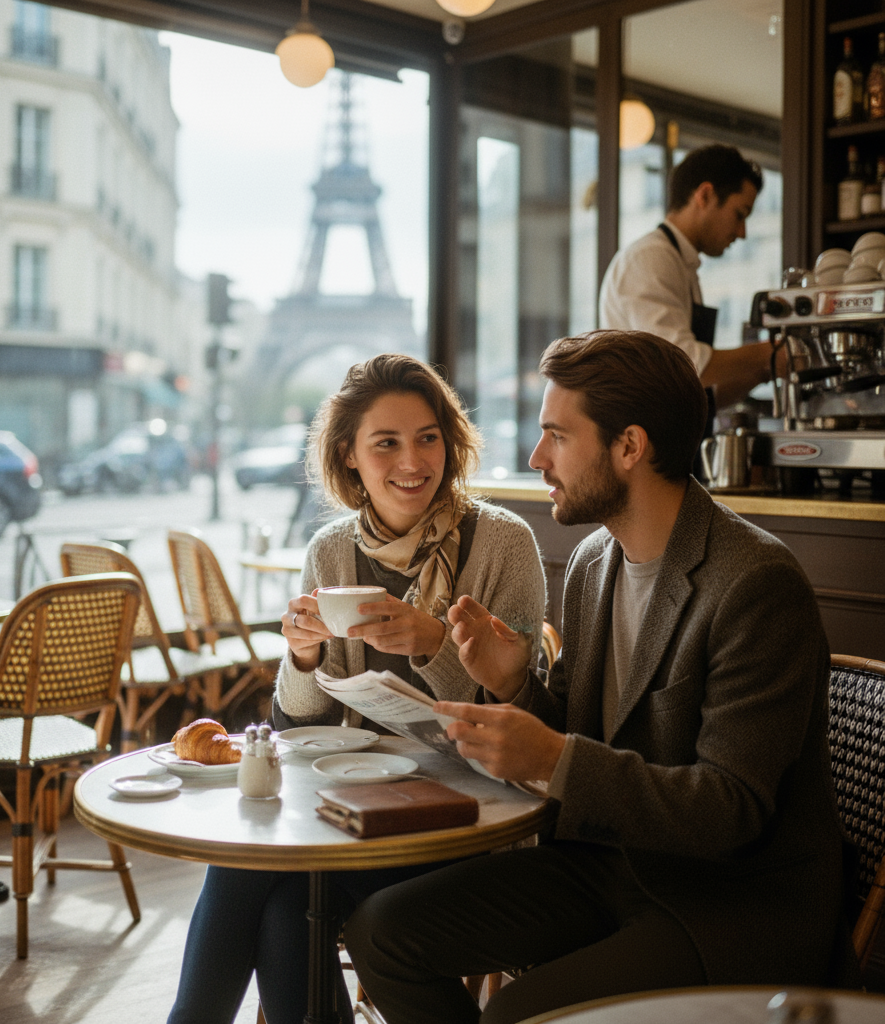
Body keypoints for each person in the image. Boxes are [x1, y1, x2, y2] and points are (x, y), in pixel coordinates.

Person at [344, 330, 852, 1024]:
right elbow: (585, 739)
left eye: (556, 435)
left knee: (513, 1014)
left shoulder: (755, 584)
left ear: (630, 447)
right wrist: (514, 685)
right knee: (380, 933)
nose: (536, 458)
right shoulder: (592, 562)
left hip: (727, 902)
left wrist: (553, 757)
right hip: (609, 865)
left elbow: (729, 809)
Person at [167, 352, 548, 1024]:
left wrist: (433, 643)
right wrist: (305, 655)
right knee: (282, 900)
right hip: (353, 802)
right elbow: (297, 729)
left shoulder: (502, 544)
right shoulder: (331, 551)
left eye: (428, 437)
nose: (413, 461)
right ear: (349, 457)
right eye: (387, 443)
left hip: (468, 821)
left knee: (280, 894)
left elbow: (519, 714)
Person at [600, 144, 784, 409]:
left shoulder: (679, 263)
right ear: (705, 195)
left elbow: (698, 396)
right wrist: (771, 352)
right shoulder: (651, 258)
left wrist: (763, 371)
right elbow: (682, 365)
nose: (742, 232)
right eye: (739, 214)